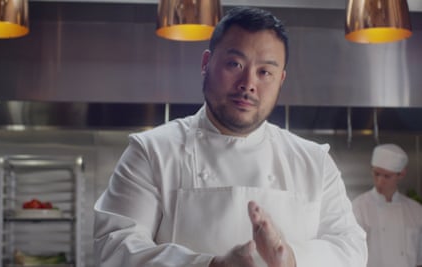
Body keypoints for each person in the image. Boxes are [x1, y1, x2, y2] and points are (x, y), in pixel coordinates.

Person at [94, 6, 367, 267]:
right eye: (235, 64)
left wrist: (291, 259)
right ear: (206, 63)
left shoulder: (313, 161)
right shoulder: (152, 151)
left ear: (280, 80)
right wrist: (211, 266)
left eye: (265, 72)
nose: (248, 83)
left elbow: (351, 249)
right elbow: (115, 248)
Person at [352, 144, 422, 267]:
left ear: (401, 174)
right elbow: (352, 256)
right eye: (376, 174)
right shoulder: (358, 207)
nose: (380, 181)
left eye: (387, 176)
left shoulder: (416, 211)